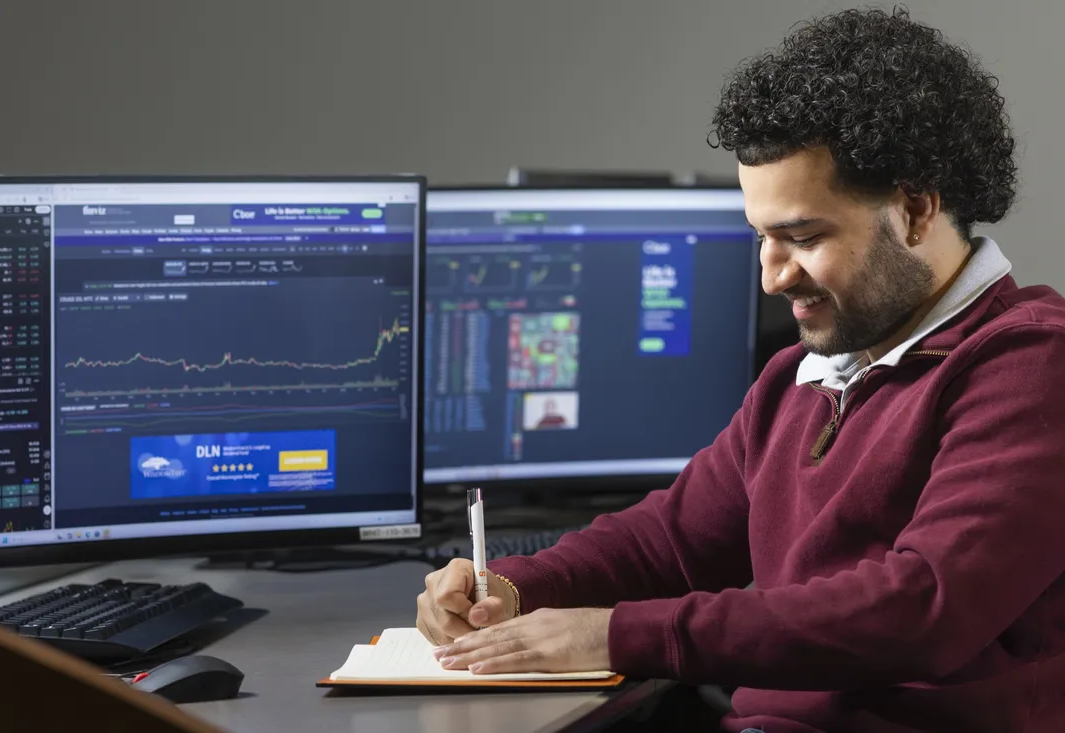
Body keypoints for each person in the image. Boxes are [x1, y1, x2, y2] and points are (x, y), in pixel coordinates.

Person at [416, 7, 1065, 732]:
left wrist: (613, 634)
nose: (771, 276)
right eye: (760, 237)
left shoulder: (1031, 364)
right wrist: (511, 586)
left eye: (801, 237)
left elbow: (921, 607)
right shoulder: (802, 378)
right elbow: (668, 542)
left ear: (914, 210)